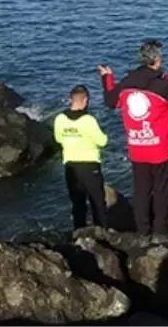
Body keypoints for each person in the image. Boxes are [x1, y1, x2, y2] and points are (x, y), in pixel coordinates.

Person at [98, 40, 168, 236]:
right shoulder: (164, 85)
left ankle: (142, 231)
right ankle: (159, 232)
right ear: (158, 59)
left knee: (140, 191)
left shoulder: (126, 83)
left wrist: (107, 78)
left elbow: (110, 101)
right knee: (162, 191)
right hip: (162, 149)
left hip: (137, 148)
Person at [53, 85, 109, 229]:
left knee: (78, 203)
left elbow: (59, 139)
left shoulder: (60, 118)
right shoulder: (88, 120)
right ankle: (101, 231)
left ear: (70, 100)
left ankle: (79, 232)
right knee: (97, 203)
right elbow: (102, 141)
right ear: (85, 100)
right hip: (89, 165)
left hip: (71, 165)